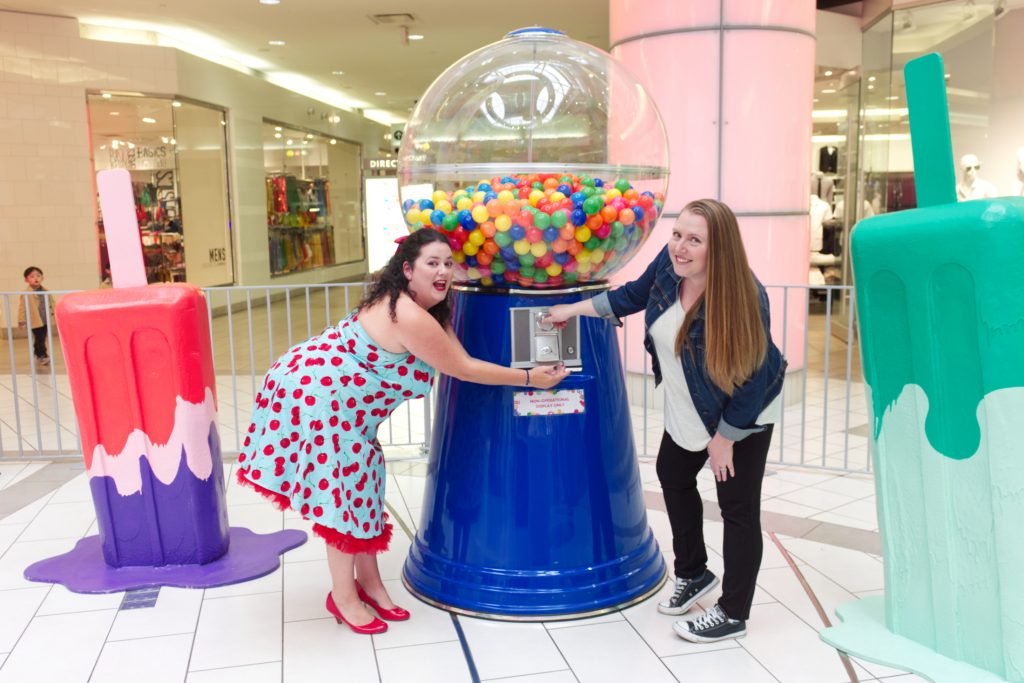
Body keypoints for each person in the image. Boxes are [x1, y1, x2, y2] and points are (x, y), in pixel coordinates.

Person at [235, 229, 568, 635]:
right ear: (407, 270)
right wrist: (531, 378)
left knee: (364, 488)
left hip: (342, 405)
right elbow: (462, 368)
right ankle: (343, 597)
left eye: (448, 263)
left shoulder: (420, 305)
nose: (443, 271)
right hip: (319, 401)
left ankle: (370, 585)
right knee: (343, 500)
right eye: (432, 263)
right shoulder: (409, 315)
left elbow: (458, 355)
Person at [543, 199, 786, 643]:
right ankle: (694, 573)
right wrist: (572, 311)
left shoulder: (744, 297)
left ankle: (733, 610)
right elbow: (632, 295)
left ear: (721, 248)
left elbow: (754, 377)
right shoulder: (670, 268)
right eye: (677, 235)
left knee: (737, 508)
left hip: (740, 416)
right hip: (689, 405)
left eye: (695, 240)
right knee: (672, 473)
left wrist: (726, 438)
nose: (680, 247)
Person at [17, 266, 54, 366]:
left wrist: (55, 315)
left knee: (42, 337)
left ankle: (37, 352)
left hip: (45, 319)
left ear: (42, 278)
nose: (36, 278)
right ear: (26, 280)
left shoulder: (46, 291)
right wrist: (21, 320)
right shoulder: (26, 293)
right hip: (35, 320)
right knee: (39, 337)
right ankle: (42, 355)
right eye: (32, 276)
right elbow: (22, 307)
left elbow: (52, 304)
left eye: (38, 275)